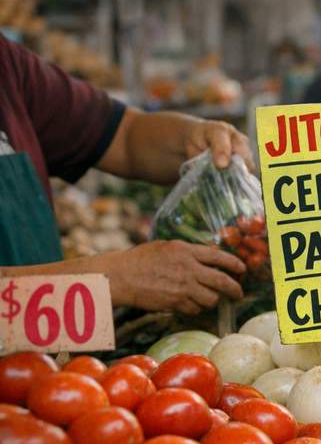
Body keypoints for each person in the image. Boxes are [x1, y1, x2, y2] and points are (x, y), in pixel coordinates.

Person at [0, 32, 252, 315]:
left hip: (44, 349)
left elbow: (122, 132)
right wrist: (111, 281)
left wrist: (194, 136)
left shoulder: (7, 64)